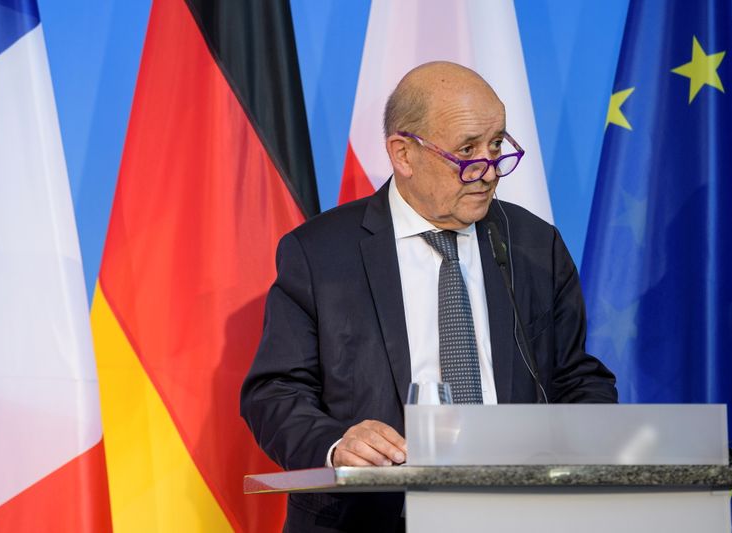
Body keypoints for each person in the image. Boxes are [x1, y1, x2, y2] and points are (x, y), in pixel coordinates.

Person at [240, 61, 617, 532]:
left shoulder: (535, 245)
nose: (489, 172)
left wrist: (584, 444)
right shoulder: (320, 253)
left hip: (515, 513)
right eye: (467, 150)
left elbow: (576, 377)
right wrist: (336, 444)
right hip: (368, 519)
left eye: (497, 145)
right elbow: (275, 392)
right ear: (404, 153)